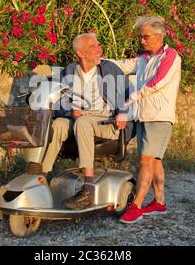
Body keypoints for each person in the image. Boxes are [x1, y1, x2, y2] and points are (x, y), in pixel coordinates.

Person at [41, 33, 130, 210]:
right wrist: (69, 111)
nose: (99, 49)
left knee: (83, 122)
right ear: (81, 53)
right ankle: (41, 176)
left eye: (98, 45)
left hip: (106, 121)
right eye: (93, 47)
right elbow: (59, 103)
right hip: (79, 118)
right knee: (58, 123)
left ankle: (88, 188)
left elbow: (128, 94)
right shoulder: (69, 71)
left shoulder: (109, 69)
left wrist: (124, 113)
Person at [111, 16, 181, 223]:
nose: (142, 41)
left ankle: (137, 205)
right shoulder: (143, 59)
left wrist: (131, 98)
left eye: (145, 37)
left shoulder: (171, 56)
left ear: (159, 36)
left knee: (145, 161)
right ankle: (159, 203)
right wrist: (98, 59)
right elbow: (123, 66)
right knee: (155, 161)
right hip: (143, 116)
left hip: (159, 117)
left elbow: (158, 82)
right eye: (140, 37)